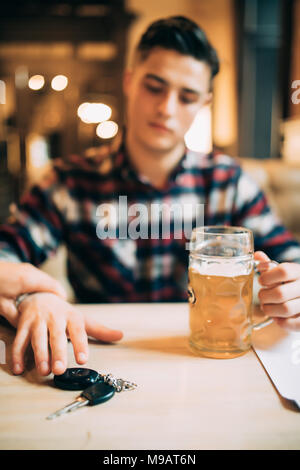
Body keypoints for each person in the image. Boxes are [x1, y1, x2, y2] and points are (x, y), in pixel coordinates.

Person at [0, 16, 300, 377]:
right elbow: (6, 256)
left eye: (186, 96)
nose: (167, 108)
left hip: (205, 367)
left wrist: (292, 287)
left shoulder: (227, 181)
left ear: (204, 102)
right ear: (129, 81)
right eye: (154, 87)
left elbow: (290, 261)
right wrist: (36, 296)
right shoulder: (68, 181)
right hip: (97, 360)